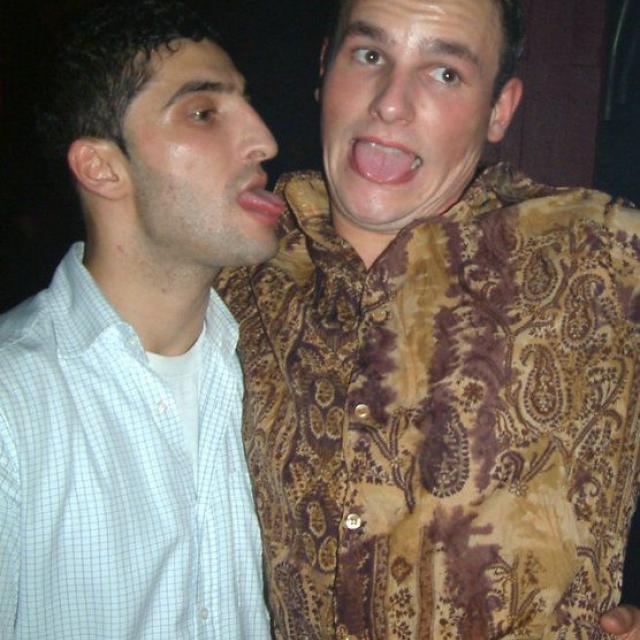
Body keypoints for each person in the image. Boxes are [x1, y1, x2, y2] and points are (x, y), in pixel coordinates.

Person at [216, 0, 640, 638]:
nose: (391, 103)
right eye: (369, 55)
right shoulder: (230, 269)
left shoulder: (602, 255)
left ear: (500, 110)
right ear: (325, 67)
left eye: (445, 73)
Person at [0, 1, 284, 637]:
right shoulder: (13, 405)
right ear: (102, 168)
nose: (264, 140)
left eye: (246, 104)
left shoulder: (271, 361)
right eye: (204, 113)